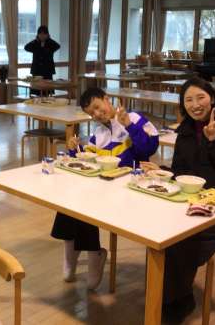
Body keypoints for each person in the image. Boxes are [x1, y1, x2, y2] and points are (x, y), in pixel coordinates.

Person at [141, 76, 215, 324]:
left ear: (212, 98)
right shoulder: (185, 130)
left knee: (178, 241)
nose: (195, 105)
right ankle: (168, 296)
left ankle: (175, 302)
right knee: (156, 230)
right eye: (188, 100)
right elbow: (182, 172)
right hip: (190, 201)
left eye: (200, 97)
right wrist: (162, 171)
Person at [51, 87, 159, 290]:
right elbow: (88, 161)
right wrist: (74, 150)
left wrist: (129, 126)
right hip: (105, 186)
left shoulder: (134, 118)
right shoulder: (98, 133)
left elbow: (149, 148)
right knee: (69, 200)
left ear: (107, 99)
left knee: (86, 203)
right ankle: (73, 254)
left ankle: (93, 254)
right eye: (91, 113)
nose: (97, 114)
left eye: (97, 107)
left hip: (130, 187)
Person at [24, 25, 60, 95]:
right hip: (37, 70)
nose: (42, 36)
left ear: (47, 34)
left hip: (47, 71)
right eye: (40, 34)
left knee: (47, 90)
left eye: (44, 34)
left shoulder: (50, 43)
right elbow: (26, 47)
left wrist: (49, 39)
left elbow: (57, 46)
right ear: (38, 35)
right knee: (36, 91)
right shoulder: (35, 43)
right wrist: (36, 40)